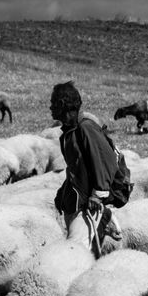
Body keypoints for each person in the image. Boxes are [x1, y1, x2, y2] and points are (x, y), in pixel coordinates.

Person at [51, 81, 122, 256]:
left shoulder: (85, 128)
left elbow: (103, 161)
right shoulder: (71, 130)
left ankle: (103, 217)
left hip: (90, 202)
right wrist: (64, 192)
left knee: (80, 249)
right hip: (79, 196)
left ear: (62, 105)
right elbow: (76, 167)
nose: (50, 108)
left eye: (53, 103)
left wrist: (97, 195)